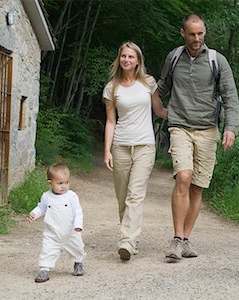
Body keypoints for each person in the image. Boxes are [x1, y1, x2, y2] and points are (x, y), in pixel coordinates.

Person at [157, 13, 239, 260]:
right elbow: (161, 88)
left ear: (205, 32)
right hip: (180, 126)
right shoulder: (173, 58)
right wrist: (156, 107)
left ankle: (185, 239)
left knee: (197, 187)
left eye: (200, 33)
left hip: (207, 129)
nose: (196, 38)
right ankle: (175, 239)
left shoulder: (217, 60)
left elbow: (230, 97)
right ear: (183, 33)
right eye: (192, 34)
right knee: (183, 176)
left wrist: (231, 127)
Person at [103, 41, 167, 261]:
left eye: (131, 57)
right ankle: (129, 237)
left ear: (138, 60)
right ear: (119, 59)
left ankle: (127, 242)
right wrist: (107, 151)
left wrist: (185, 115)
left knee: (135, 196)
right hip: (120, 146)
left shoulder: (148, 83)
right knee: (122, 198)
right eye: (123, 56)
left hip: (145, 146)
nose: (127, 60)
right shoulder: (112, 88)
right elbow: (110, 122)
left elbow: (159, 111)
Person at [28, 163, 86, 283]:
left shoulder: (72, 196)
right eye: (60, 183)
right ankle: (44, 269)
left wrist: (78, 225)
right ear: (50, 183)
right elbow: (41, 208)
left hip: (70, 232)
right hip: (52, 233)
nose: (64, 186)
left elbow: (78, 211)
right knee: (48, 249)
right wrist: (34, 213)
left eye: (66, 182)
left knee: (77, 248)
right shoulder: (46, 196)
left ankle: (78, 263)